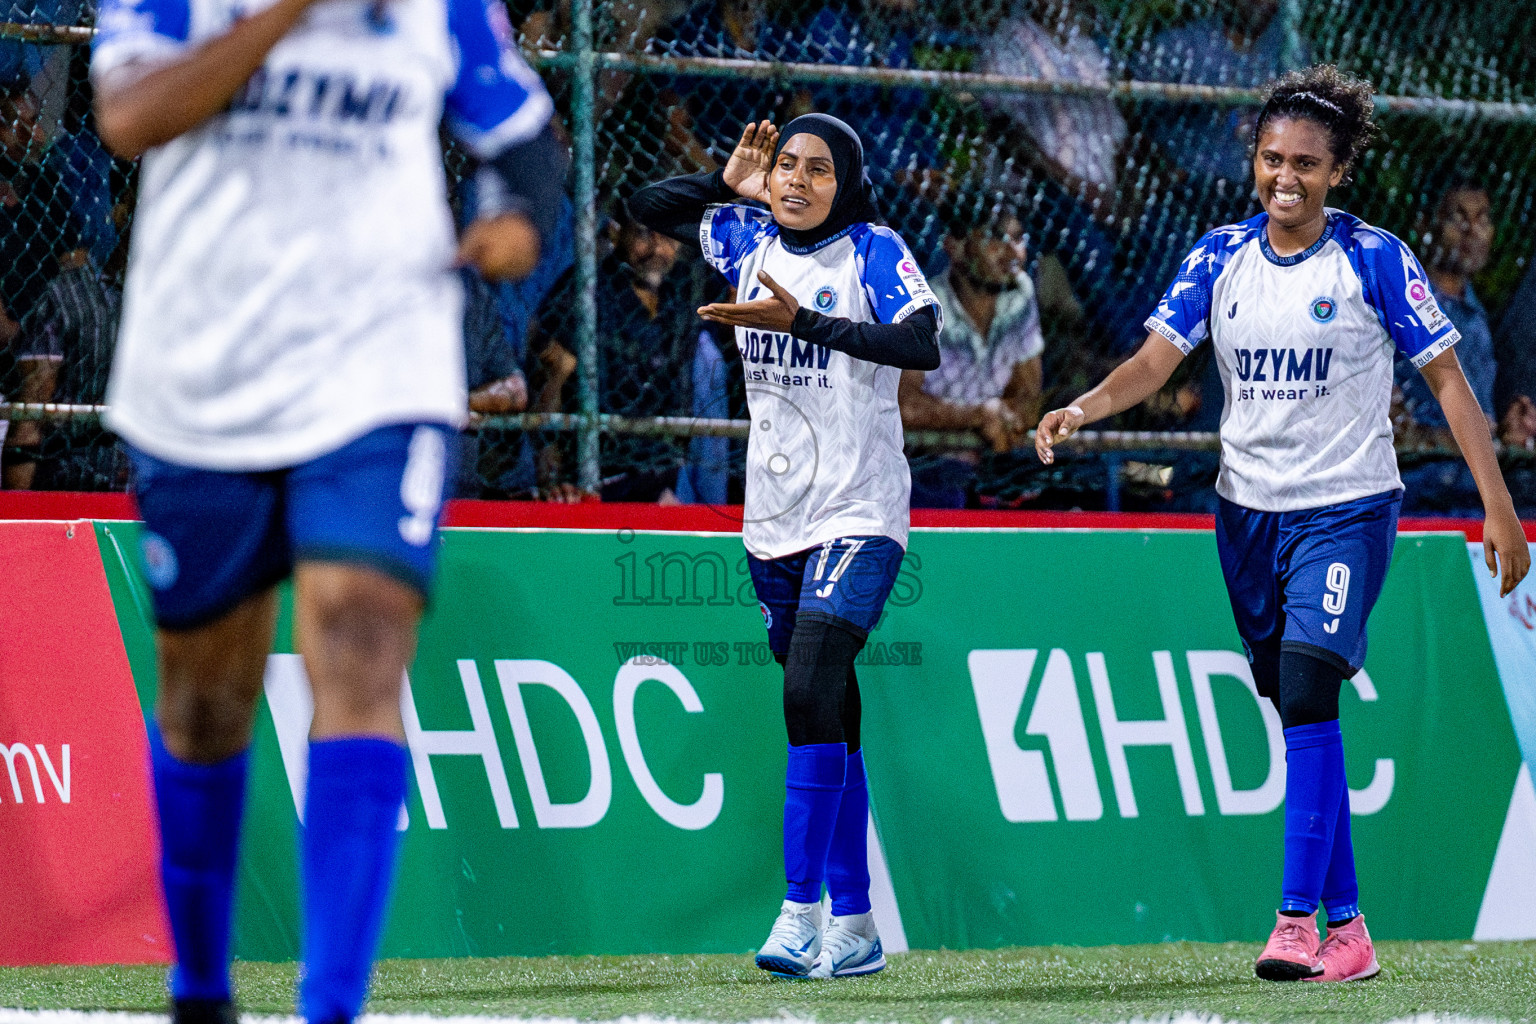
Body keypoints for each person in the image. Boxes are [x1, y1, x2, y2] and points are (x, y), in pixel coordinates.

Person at [89, 0, 564, 1022]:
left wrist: (518, 219)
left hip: (378, 364)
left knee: (359, 631)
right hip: (203, 370)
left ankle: (332, 1005)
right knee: (208, 701)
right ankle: (202, 988)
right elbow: (128, 116)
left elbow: (520, 135)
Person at [1035, 65, 1529, 984]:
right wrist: (1083, 407)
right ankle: (1350, 929)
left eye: (1306, 161)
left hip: (1345, 509)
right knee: (1299, 712)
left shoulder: (1375, 259)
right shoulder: (1217, 256)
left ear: (1338, 171)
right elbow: (1154, 360)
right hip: (1246, 514)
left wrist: (1499, 507)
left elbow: (1451, 382)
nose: (1285, 177)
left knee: (1307, 691)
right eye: (1271, 158)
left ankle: (1295, 922)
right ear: (1254, 161)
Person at [629, 113, 941, 978]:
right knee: (830, 714)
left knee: (808, 690)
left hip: (860, 510)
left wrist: (809, 323)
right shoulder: (744, 233)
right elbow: (645, 203)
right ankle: (858, 923)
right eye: (788, 167)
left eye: (819, 170)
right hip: (773, 518)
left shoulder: (872, 250)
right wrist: (729, 184)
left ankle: (799, 909)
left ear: (847, 182)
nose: (799, 181)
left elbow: (923, 342)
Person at [900, 202, 1043, 508]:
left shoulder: (1020, 295)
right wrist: (979, 415)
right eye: (995, 238)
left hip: (990, 457)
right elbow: (902, 406)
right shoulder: (925, 308)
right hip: (922, 461)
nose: (1011, 253)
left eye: (1018, 239)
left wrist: (1011, 416)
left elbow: (1029, 392)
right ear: (956, 247)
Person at [1392, 182, 1501, 513]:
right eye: (1457, 218)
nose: (1472, 231)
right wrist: (1437, 439)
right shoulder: (1403, 304)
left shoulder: (1477, 315)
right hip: (1416, 496)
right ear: (1426, 226)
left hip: (1473, 497)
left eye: (1482, 219)